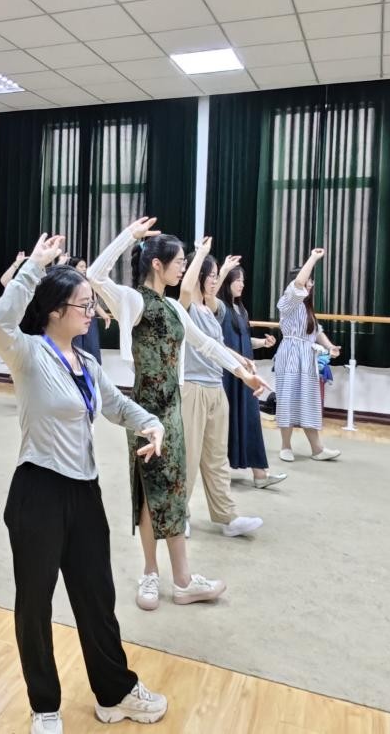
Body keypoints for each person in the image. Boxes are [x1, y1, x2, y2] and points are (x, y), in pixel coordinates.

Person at [0, 233, 169, 734]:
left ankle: (114, 694)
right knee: (35, 604)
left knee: (97, 597)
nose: (92, 313)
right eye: (83, 305)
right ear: (55, 311)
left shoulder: (86, 364)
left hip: (84, 493)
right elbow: (0, 322)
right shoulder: (28, 353)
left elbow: (116, 405)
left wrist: (151, 423)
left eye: (92, 304)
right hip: (39, 491)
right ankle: (44, 706)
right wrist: (33, 267)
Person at [87, 217, 270, 612]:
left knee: (171, 490)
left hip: (174, 406)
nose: (185, 267)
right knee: (149, 492)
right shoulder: (133, 300)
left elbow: (205, 345)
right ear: (157, 264)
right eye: (179, 261)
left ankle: (183, 580)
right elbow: (95, 274)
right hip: (145, 410)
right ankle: (151, 573)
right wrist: (129, 236)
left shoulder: (173, 306)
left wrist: (244, 374)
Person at [178, 241, 264, 536]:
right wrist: (201, 253)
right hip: (192, 388)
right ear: (199, 276)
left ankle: (227, 517)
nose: (216, 281)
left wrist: (240, 360)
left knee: (217, 457)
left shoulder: (210, 310)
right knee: (188, 456)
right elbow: (186, 289)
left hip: (216, 387)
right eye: (211, 275)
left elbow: (216, 346)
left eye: (218, 276)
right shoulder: (186, 307)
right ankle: (180, 514)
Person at [218, 264, 286, 488]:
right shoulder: (220, 308)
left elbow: (244, 341)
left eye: (243, 280)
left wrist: (263, 343)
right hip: (229, 373)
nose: (241, 284)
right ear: (227, 282)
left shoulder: (241, 310)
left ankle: (260, 473)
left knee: (250, 419)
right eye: (237, 280)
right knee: (227, 421)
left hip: (245, 374)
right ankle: (223, 473)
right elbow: (219, 343)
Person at [275, 250, 342, 463]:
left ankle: (317, 448)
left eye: (311, 281)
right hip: (290, 354)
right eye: (308, 280)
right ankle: (285, 446)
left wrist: (330, 347)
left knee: (309, 400)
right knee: (287, 398)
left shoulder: (307, 309)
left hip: (306, 356)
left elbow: (316, 331)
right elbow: (298, 284)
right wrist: (313, 258)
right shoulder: (289, 300)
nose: (310, 284)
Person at [68, 256, 111, 363]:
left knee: (92, 345)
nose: (84, 269)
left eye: (85, 266)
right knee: (76, 345)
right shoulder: (68, 282)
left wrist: (104, 315)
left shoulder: (89, 281)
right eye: (81, 266)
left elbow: (94, 302)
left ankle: (92, 368)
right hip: (75, 316)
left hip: (90, 316)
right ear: (73, 267)